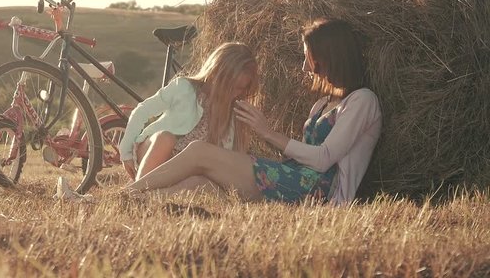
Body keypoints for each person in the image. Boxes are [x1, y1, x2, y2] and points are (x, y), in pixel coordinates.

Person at [124, 18, 383, 205]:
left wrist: (267, 133)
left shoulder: (362, 101)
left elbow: (324, 159)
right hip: (292, 177)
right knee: (201, 185)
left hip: (317, 191)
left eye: (309, 57)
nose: (305, 67)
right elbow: (303, 155)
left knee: (198, 153)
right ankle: (138, 199)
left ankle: (126, 193)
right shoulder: (322, 105)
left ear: (330, 56)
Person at [119, 42, 260, 181]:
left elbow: (229, 157)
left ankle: (152, 193)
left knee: (200, 178)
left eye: (241, 89)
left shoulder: (233, 113)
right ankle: (136, 191)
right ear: (216, 73)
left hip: (185, 169)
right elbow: (142, 111)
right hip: (154, 153)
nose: (235, 93)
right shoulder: (183, 87)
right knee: (165, 138)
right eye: (231, 86)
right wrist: (126, 153)